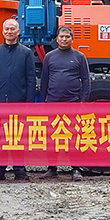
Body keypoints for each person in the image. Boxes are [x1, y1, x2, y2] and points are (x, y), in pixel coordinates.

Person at [0, 18, 36, 181]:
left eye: (12, 29)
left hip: (19, 101)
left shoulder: (26, 53)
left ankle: (19, 169)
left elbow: (31, 80)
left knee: (18, 136)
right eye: (7, 29)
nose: (9, 32)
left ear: (18, 31)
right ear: (2, 31)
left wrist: (29, 104)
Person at [39, 26, 90, 181]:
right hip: (52, 103)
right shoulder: (49, 57)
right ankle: (52, 168)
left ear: (72, 39)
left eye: (67, 37)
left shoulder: (79, 57)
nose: (64, 39)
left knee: (73, 137)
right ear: (57, 38)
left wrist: (83, 102)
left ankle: (76, 169)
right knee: (52, 137)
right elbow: (44, 80)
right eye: (61, 36)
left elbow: (86, 80)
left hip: (72, 103)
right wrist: (42, 102)